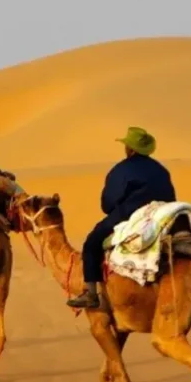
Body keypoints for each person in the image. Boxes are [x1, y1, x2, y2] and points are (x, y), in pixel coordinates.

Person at [67, 126, 179, 309]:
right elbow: (171, 197)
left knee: (91, 243)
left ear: (131, 149)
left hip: (130, 214)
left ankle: (91, 294)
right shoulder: (161, 169)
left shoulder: (121, 170)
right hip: (162, 216)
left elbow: (108, 204)